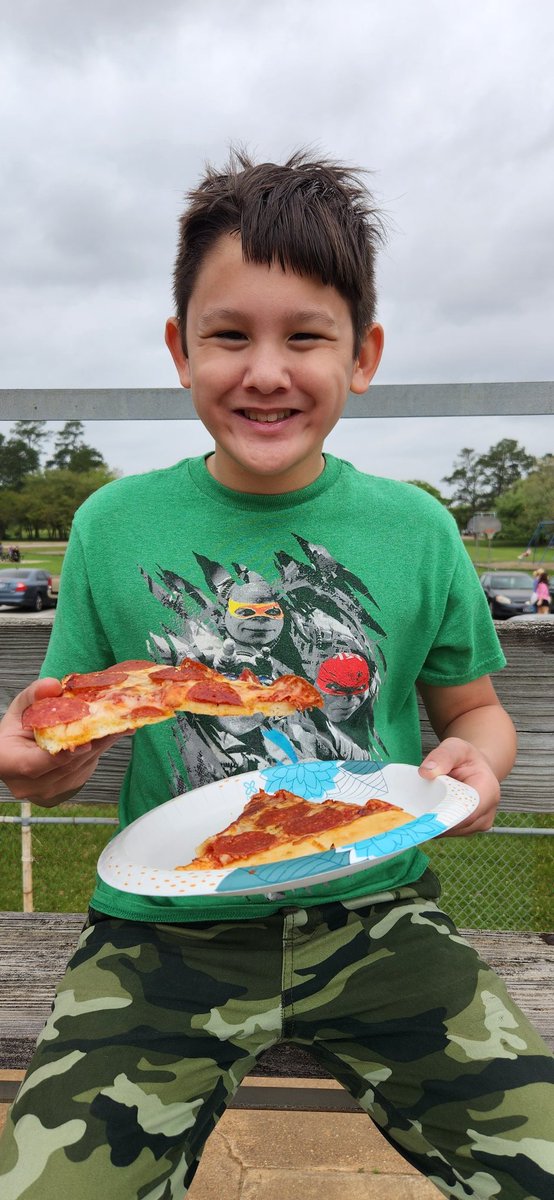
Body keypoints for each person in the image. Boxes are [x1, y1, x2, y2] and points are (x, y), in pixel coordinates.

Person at [0, 150, 553, 1200]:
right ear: (179, 349)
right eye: (227, 335)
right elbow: (66, 730)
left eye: (304, 335)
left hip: (380, 919)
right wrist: (36, 764)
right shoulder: (111, 525)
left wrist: (473, 768)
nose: (265, 370)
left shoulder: (416, 528)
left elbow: (474, 711)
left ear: (362, 354)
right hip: (163, 934)